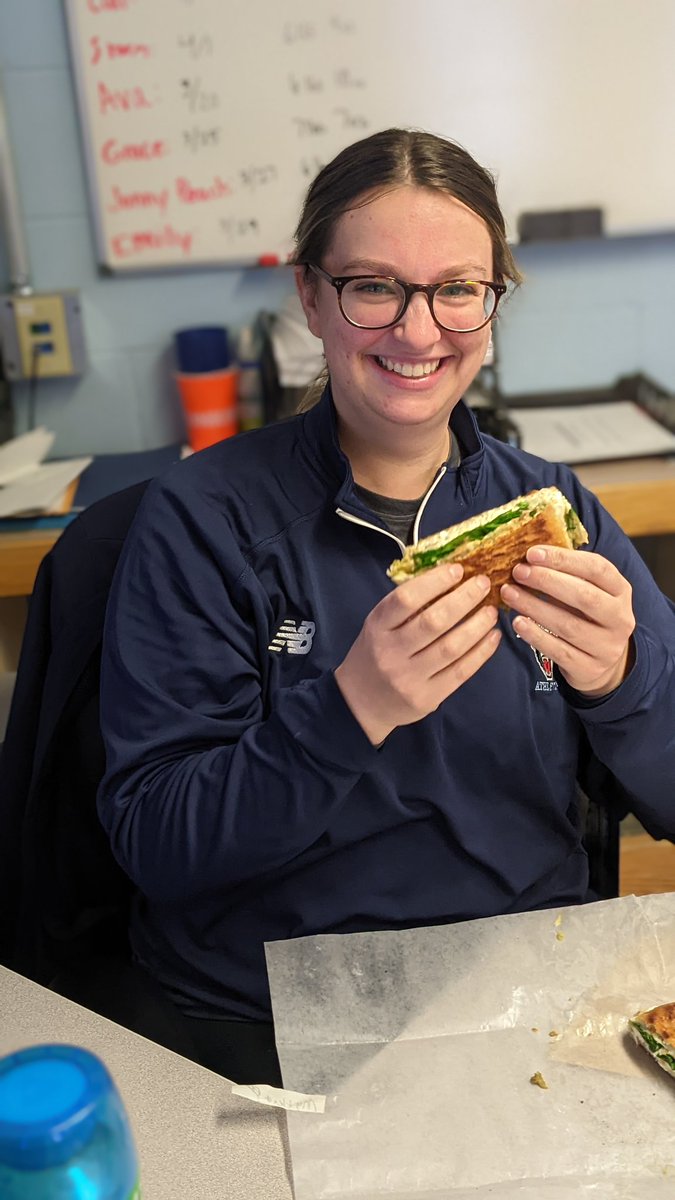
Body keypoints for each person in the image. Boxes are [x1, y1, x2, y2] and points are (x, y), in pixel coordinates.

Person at [97, 128, 675, 1084]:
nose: (419, 332)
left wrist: (622, 683)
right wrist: (350, 708)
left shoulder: (554, 512)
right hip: (269, 1015)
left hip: (527, 989)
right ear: (311, 299)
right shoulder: (203, 521)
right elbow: (160, 845)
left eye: (457, 290)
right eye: (374, 288)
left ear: (491, 307)